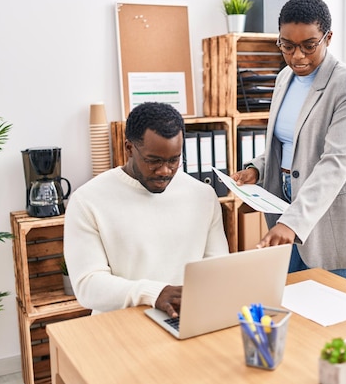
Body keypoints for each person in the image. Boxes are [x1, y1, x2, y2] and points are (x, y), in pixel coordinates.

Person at [231, 0, 346, 283]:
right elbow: (287, 143)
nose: (297, 56)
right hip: (285, 203)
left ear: (328, 37)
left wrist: (293, 222)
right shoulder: (283, 78)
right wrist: (257, 169)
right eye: (287, 46)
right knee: (292, 306)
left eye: (308, 46)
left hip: (332, 217)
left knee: (334, 313)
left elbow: (335, 162)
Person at [64, 102, 229, 317]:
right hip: (120, 324)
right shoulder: (88, 200)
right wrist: (154, 294)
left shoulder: (203, 195)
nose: (164, 171)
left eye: (174, 160)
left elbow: (217, 268)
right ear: (129, 148)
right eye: (154, 161)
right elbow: (88, 286)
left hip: (184, 319)